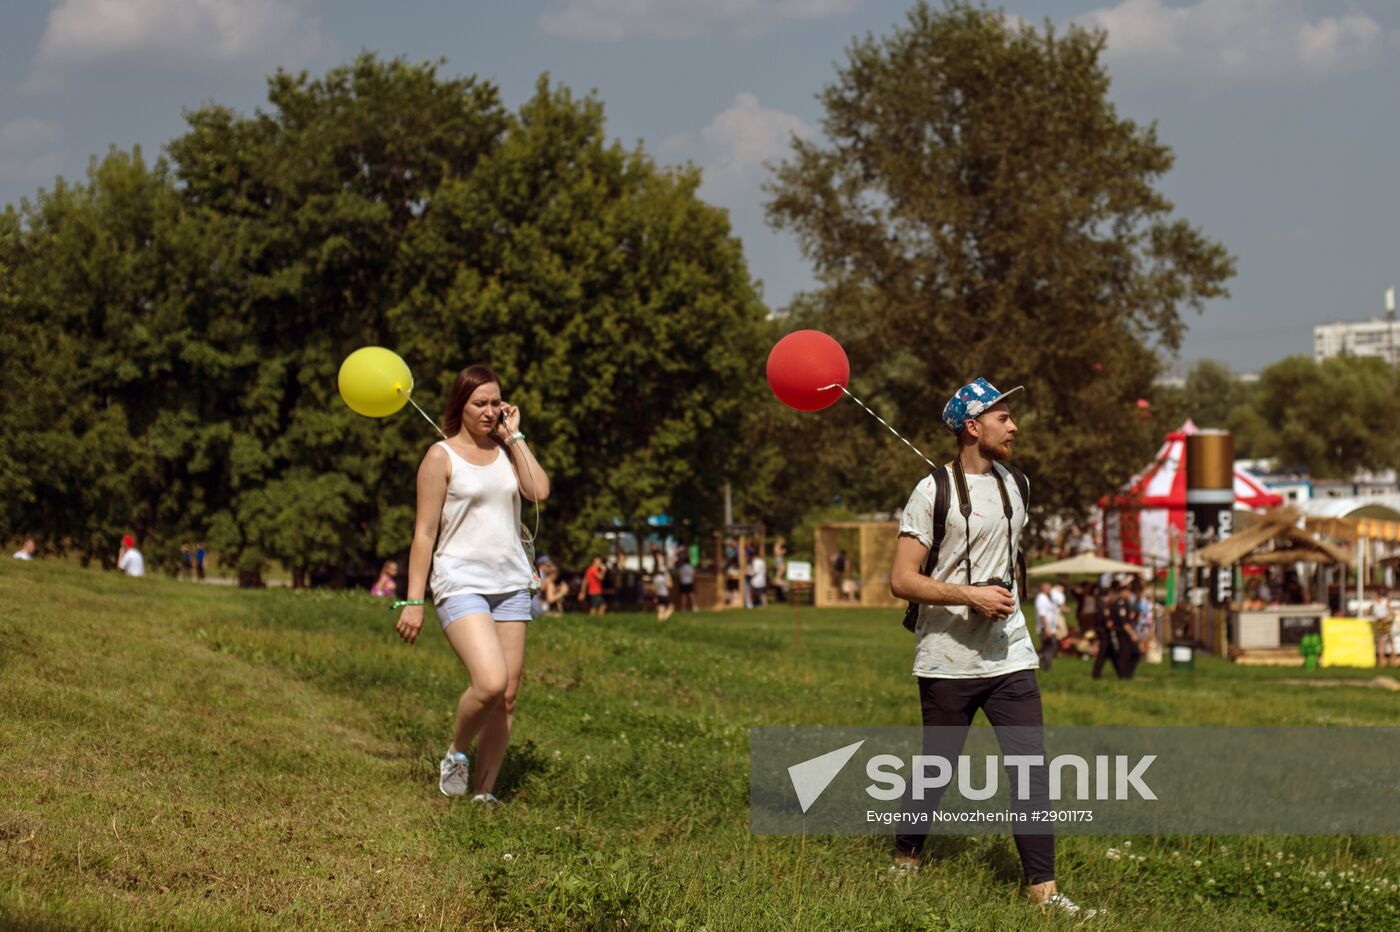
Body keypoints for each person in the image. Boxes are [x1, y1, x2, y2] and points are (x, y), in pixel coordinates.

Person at [888, 377, 1093, 917]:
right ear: (973, 427)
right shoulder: (930, 492)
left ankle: (1044, 895)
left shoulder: (1018, 485)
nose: (1015, 425)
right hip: (946, 657)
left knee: (1030, 769)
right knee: (937, 770)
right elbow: (902, 580)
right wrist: (968, 594)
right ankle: (905, 859)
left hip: (1011, 655)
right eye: (1004, 417)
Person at [394, 363, 551, 804]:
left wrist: (515, 436)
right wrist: (412, 599)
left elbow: (538, 491)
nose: (489, 411)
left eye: (495, 403)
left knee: (508, 694)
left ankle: (484, 793)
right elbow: (424, 533)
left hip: (511, 582)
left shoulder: (506, 451)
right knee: (489, 681)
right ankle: (457, 752)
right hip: (459, 580)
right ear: (459, 406)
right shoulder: (440, 457)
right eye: (479, 403)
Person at [1034, 581, 1061, 671]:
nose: (1050, 589)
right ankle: (1046, 667)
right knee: (1051, 647)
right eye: (1048, 587)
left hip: (1050, 628)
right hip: (1045, 628)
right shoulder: (1041, 598)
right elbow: (1042, 614)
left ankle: (1041, 662)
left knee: (1047, 647)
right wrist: (1046, 628)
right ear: (1042, 588)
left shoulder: (1047, 598)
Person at [1371, 590, 1394, 668]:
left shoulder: (1384, 602)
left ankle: (1391, 657)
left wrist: (1388, 619)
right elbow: (1373, 612)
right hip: (1379, 621)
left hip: (1384, 621)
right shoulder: (1374, 603)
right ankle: (1382, 658)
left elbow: (1391, 612)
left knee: (1388, 639)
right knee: (1381, 640)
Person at [771, 537, 788, 603]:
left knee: (778, 577)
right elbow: (777, 554)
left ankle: (783, 584)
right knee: (777, 578)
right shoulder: (777, 545)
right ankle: (784, 585)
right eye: (783, 542)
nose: (783, 543)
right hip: (778, 561)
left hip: (779, 561)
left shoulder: (777, 546)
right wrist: (782, 552)